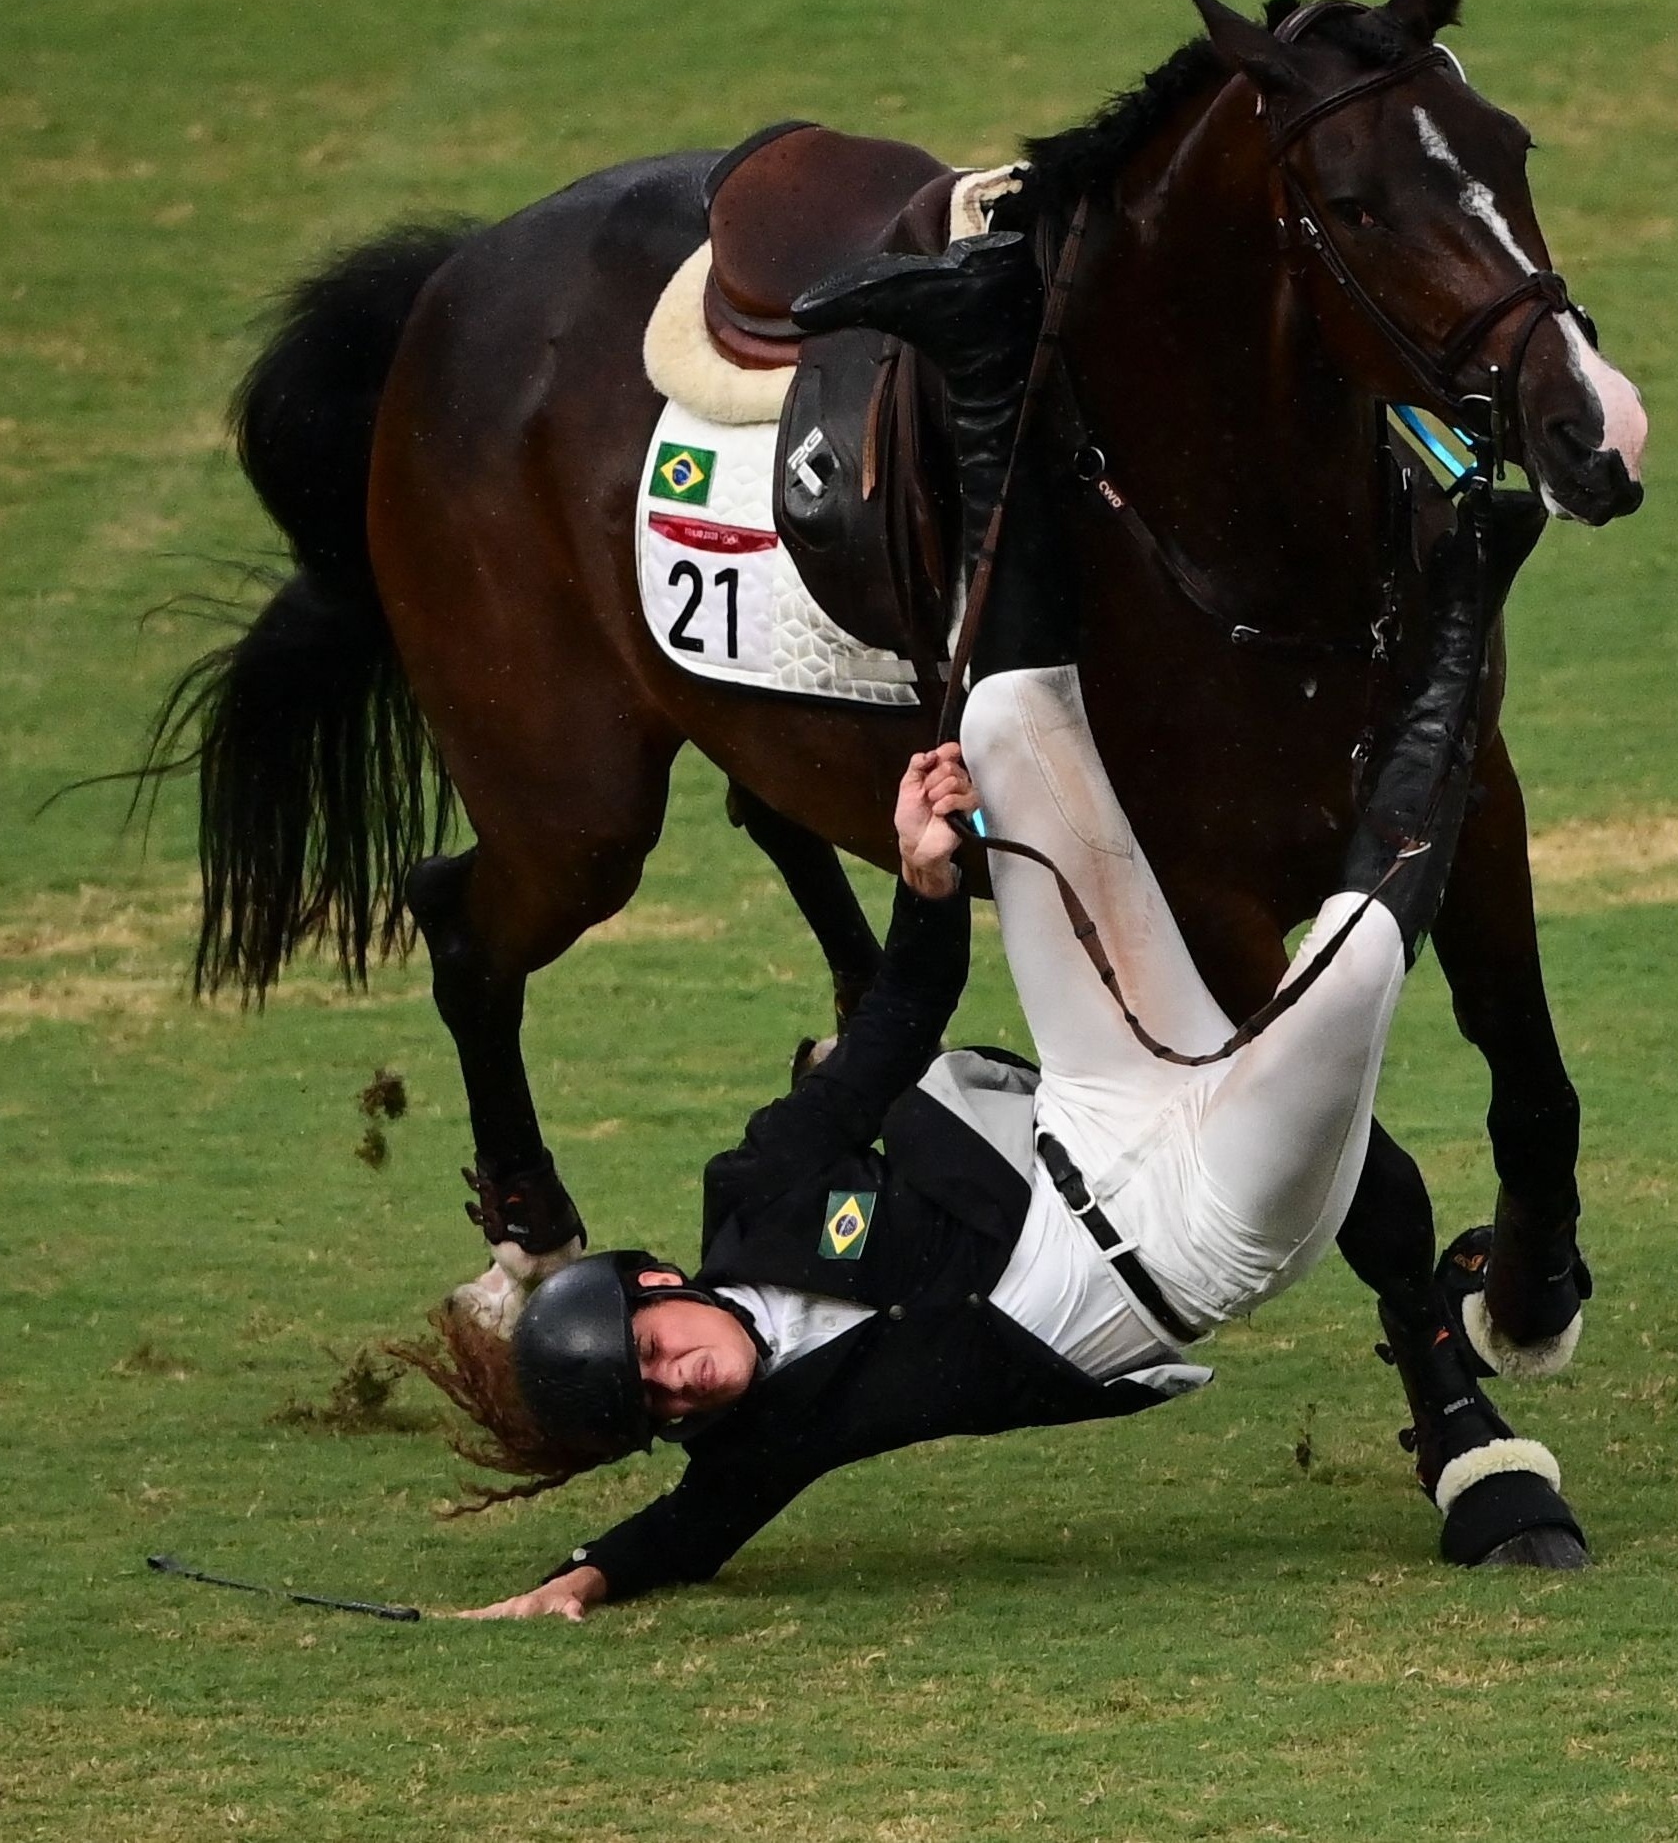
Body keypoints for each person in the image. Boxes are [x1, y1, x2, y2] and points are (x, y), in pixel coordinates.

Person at [440, 236, 1580, 1622]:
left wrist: (924, 878)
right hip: (1198, 1235)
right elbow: (694, 1526)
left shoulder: (762, 1187)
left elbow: (896, 1028)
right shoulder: (770, 1431)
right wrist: (575, 1581)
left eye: (651, 1352)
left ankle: (986, 363)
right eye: (653, 1403)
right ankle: (1464, 595)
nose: (675, 1385)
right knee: (1341, 982)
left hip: (1094, 1111)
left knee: (1000, 730)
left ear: (656, 1282)